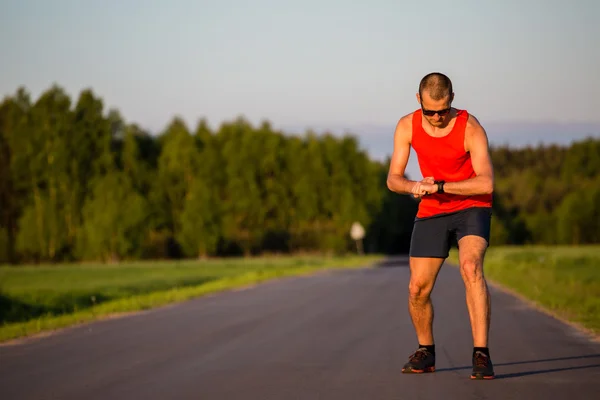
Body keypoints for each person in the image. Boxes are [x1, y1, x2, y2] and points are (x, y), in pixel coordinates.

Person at [386, 72, 495, 380]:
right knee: (417, 288)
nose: (436, 117)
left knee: (471, 267)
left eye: (442, 110)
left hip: (472, 204)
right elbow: (393, 178)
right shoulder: (406, 126)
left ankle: (481, 354)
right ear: (419, 100)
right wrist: (413, 187)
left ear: (452, 100)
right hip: (432, 207)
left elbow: (486, 181)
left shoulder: (470, 128)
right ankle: (426, 351)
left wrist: (443, 186)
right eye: (429, 111)